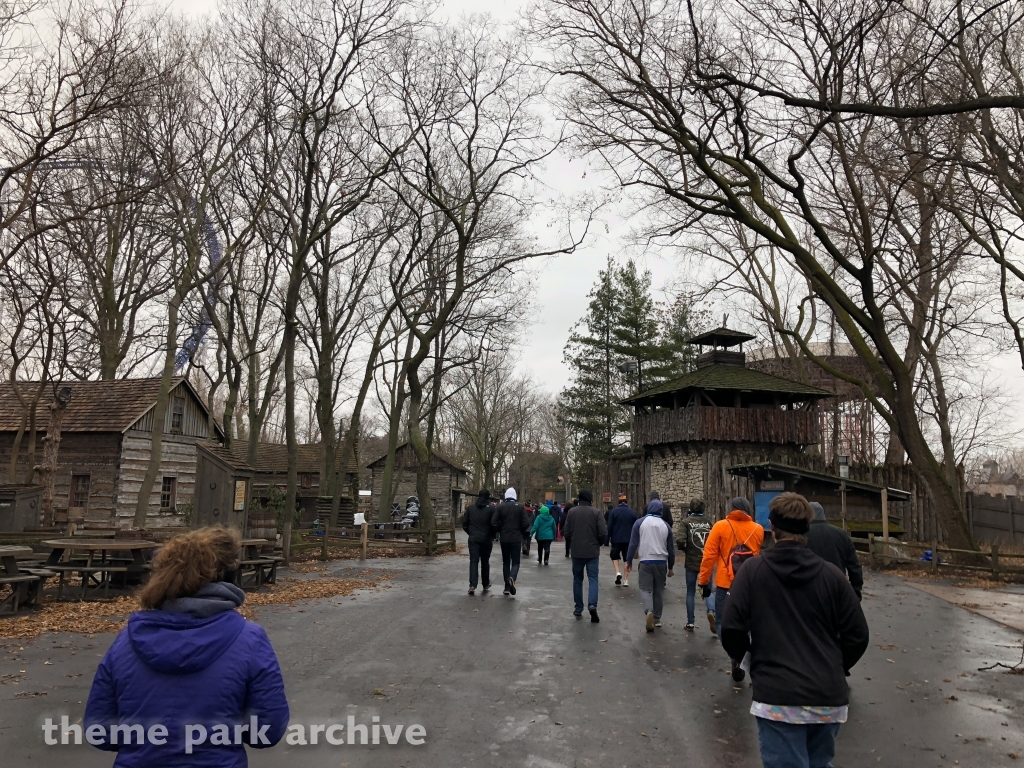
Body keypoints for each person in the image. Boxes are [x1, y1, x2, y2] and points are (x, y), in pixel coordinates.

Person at [84, 527, 289, 767]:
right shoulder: (250, 640)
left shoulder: (126, 641)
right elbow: (268, 730)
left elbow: (100, 729)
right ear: (226, 577)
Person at [721, 492, 869, 768]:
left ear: (772, 527)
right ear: (807, 528)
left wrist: (753, 662)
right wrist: (836, 666)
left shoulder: (753, 572)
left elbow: (730, 627)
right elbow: (858, 634)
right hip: (827, 695)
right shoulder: (832, 576)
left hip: (778, 695)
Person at [698, 496, 764, 673]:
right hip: (749, 584)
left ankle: (736, 655)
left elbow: (709, 557)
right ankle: (743, 660)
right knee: (747, 624)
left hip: (725, 583)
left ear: (732, 508)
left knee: (721, 622)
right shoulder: (758, 529)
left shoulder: (720, 526)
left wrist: (703, 581)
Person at [624, 498, 675, 632]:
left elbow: (633, 544)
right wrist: (671, 566)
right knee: (658, 591)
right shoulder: (666, 526)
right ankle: (657, 619)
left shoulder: (640, 523)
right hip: (661, 563)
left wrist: (629, 561)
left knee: (645, 589)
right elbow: (671, 549)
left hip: (646, 561)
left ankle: (649, 611)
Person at [563, 489, 608, 622]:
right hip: (592, 551)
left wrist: (572, 542)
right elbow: (603, 532)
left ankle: (578, 607)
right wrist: (598, 543)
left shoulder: (572, 512)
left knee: (577, 579)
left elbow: (566, 532)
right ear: (590, 499)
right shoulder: (596, 513)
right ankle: (592, 605)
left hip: (577, 551)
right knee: (593, 578)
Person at [807, 502, 864, 600]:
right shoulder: (841, 534)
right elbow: (854, 565)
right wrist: (856, 590)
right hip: (837, 586)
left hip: (810, 589)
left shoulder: (801, 535)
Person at [678, 498, 714, 631]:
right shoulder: (709, 523)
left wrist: (685, 549)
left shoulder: (686, 522)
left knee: (691, 592)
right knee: (707, 590)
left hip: (691, 562)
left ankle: (690, 622)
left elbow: (680, 540)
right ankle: (711, 611)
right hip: (706, 561)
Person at [492, 487, 530, 596]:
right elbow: (526, 523)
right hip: (516, 537)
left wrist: (500, 529)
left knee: (506, 562)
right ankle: (512, 577)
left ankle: (506, 587)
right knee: (516, 562)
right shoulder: (520, 507)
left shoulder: (501, 507)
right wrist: (520, 530)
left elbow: (493, 522)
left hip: (504, 538)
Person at [463, 489, 496, 594]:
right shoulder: (491, 508)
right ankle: (485, 584)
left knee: (473, 561)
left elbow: (465, 524)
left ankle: (472, 585)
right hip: (486, 538)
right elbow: (494, 524)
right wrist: (492, 535)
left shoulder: (471, 508)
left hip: (473, 538)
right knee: (485, 561)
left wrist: (471, 533)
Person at [606, 494, 638, 586]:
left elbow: (609, 526)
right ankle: (626, 580)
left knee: (614, 556)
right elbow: (636, 527)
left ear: (619, 502)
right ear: (626, 502)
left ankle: (617, 572)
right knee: (627, 558)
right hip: (628, 539)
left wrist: (607, 539)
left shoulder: (614, 512)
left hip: (616, 539)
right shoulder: (632, 513)